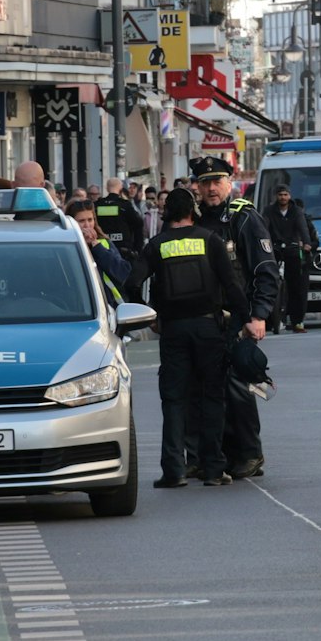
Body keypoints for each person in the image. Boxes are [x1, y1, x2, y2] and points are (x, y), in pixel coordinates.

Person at [128, 188, 248, 488]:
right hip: (210, 329)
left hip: (173, 331)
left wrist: (151, 316)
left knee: (174, 399)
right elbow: (232, 286)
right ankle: (213, 469)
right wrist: (241, 322)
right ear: (193, 212)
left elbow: (131, 283)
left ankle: (175, 470)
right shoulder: (210, 240)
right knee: (212, 397)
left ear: (167, 213)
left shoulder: (156, 245)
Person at [190, 156, 280, 479]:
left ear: (229, 183)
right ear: (196, 187)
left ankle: (250, 454)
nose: (211, 188)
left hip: (238, 318)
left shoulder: (244, 218)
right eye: (205, 183)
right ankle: (218, 455)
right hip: (205, 319)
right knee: (208, 389)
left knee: (238, 388)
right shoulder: (194, 220)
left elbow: (265, 271)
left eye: (217, 181)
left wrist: (258, 315)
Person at [265, 184, 317, 333]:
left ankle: (297, 322)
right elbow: (263, 228)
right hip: (275, 249)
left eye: (285, 194)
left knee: (297, 287)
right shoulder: (269, 211)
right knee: (269, 283)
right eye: (280, 195)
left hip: (293, 250)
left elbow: (303, 228)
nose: (283, 197)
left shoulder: (296, 211)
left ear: (289, 196)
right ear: (276, 196)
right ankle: (271, 319)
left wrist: (306, 243)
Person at [66, 198, 131, 307]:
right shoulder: (67, 246)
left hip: (107, 305)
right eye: (81, 221)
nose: (87, 225)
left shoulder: (103, 243)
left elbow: (123, 272)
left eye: (90, 220)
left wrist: (96, 246)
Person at [93, 177, 145, 260]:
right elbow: (139, 223)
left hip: (101, 248)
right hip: (123, 251)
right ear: (121, 189)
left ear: (106, 188)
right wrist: (137, 250)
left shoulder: (97, 205)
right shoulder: (125, 205)